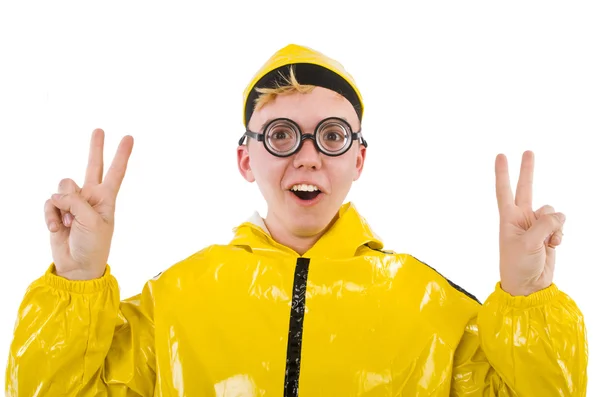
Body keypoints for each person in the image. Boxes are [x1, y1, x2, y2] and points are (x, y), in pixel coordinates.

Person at [5, 44, 587, 396]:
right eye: (282, 135)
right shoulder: (177, 300)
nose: (307, 154)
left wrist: (528, 296)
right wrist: (76, 279)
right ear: (246, 157)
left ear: (358, 159)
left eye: (331, 135)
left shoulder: (426, 303)